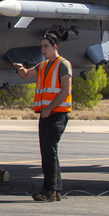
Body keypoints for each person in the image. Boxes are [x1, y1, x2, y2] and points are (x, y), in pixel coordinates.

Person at [14, 32, 72, 202]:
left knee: (49, 150)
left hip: (58, 113)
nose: (43, 49)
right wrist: (19, 68)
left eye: (46, 46)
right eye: (41, 46)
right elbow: (25, 75)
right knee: (49, 151)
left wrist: (49, 109)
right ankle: (56, 190)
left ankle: (49, 191)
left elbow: (66, 91)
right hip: (46, 115)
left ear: (55, 47)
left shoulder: (64, 65)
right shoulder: (43, 66)